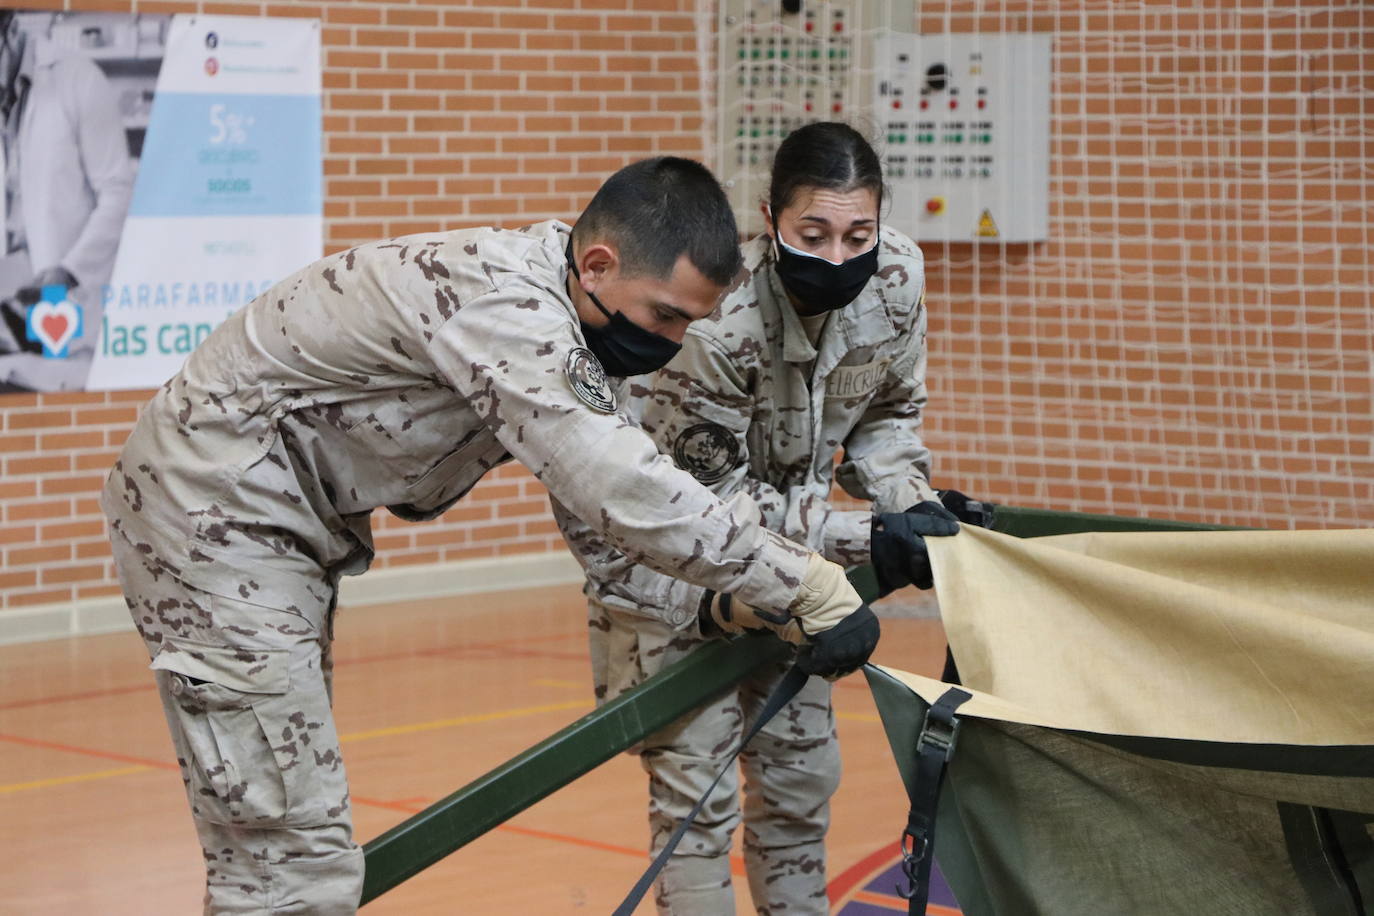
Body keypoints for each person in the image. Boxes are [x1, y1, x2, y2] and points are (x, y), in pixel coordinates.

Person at [101, 156, 879, 915]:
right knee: (289, 864)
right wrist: (805, 584)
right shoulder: (506, 305)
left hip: (270, 527)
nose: (672, 340)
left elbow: (613, 546)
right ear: (598, 265)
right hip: (214, 514)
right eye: (665, 315)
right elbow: (619, 486)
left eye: (690, 322)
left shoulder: (579, 329)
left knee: (278, 832)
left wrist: (734, 607)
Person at [553, 123, 963, 914]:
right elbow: (710, 513)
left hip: (796, 585)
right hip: (679, 580)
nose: (838, 256)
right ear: (772, 221)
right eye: (813, 234)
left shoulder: (896, 280)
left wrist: (908, 505)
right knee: (695, 815)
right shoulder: (714, 325)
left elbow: (887, 416)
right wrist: (868, 539)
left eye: (858, 235)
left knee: (799, 791)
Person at [0, 11, 135, 390]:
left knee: (55, 393)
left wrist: (69, 270)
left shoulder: (78, 79)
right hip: (11, 296)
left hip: (66, 291)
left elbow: (118, 193)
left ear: (11, 32)